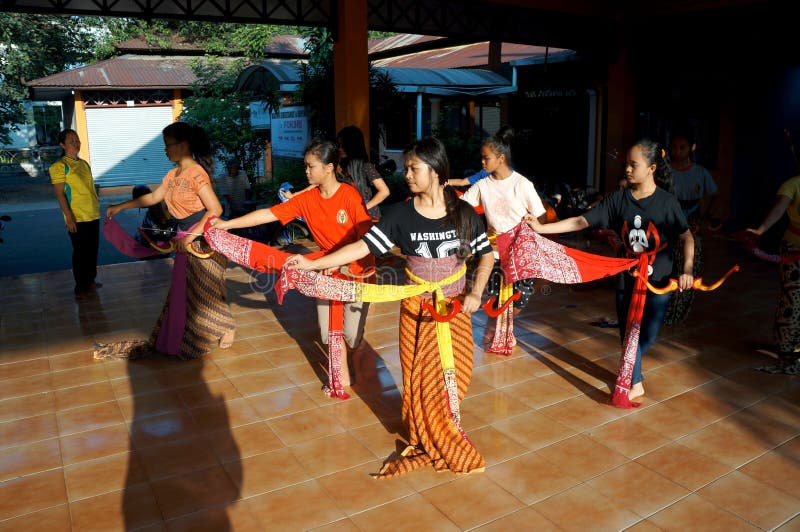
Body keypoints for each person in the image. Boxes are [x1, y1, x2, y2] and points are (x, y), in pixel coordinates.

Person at [287, 137, 495, 478]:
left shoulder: (463, 213)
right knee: (420, 378)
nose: (406, 175)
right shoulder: (401, 215)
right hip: (416, 310)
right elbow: (361, 248)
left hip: (454, 309)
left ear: (436, 170)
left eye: (414, 169)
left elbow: (486, 256)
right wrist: (312, 263)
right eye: (406, 169)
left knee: (457, 375)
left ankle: (440, 423)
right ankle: (432, 433)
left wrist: (476, 292)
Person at [526, 139, 694, 401]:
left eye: (633, 165)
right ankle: (633, 381)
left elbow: (686, 237)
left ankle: (630, 368)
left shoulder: (667, 203)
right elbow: (582, 221)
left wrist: (687, 270)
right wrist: (541, 228)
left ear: (651, 168)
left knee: (647, 335)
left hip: (659, 277)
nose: (627, 169)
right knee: (627, 331)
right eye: (626, 164)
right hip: (626, 272)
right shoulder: (618, 199)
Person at [211, 140, 374, 391]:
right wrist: (227, 225)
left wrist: (340, 263)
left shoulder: (350, 196)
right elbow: (269, 214)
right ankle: (341, 375)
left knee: (352, 334)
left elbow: (366, 240)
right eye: (305, 166)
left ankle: (351, 354)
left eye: (311, 166)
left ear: (329, 167)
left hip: (355, 268)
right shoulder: (307, 199)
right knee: (328, 331)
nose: (306, 172)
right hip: (323, 268)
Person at [99, 122, 235, 359]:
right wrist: (121, 206)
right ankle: (182, 336)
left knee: (206, 288)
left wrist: (191, 236)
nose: (165, 151)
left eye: (168, 145)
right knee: (185, 290)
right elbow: (153, 198)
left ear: (183, 145)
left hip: (201, 237)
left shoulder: (196, 173)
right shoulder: (173, 175)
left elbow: (215, 209)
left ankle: (227, 327)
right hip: (184, 237)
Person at [458, 127, 548, 353]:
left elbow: (542, 216)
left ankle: (503, 326)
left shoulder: (522, 184)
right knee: (495, 296)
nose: (482, 162)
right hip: (495, 252)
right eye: (481, 158)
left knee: (521, 297)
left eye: (486, 158)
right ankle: (494, 330)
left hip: (521, 252)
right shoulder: (482, 185)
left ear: (501, 158)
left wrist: (533, 224)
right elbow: (462, 207)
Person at [663, 131, 719, 325]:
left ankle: (679, 313)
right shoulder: (665, 172)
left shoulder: (700, 172)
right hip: (668, 224)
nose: (677, 152)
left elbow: (714, 195)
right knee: (667, 266)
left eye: (682, 147)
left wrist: (706, 216)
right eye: (674, 147)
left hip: (693, 225)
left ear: (692, 148)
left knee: (689, 267)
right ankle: (663, 311)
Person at [747, 175, 800, 373]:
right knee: (792, 299)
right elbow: (779, 209)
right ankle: (787, 350)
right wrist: (760, 231)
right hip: (794, 248)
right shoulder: (793, 184)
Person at [49, 129, 102, 298]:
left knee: (92, 250)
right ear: (62, 145)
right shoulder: (59, 166)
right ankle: (80, 286)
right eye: (71, 141)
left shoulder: (84, 164)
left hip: (93, 214)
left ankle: (90, 280)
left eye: (77, 140)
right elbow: (60, 194)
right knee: (80, 252)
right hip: (77, 217)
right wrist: (69, 217)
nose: (76, 143)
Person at [336, 125, 390, 220]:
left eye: (343, 145)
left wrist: (363, 207)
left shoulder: (365, 166)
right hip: (346, 215)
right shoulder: (337, 166)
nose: (340, 149)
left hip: (368, 217)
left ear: (353, 146)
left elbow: (384, 191)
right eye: (339, 145)